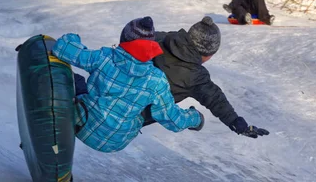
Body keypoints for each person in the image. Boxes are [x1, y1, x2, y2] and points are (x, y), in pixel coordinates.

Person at [51, 17, 204, 153]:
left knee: (75, 79)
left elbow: (62, 48)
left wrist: (73, 38)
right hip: (117, 143)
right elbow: (173, 120)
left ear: (124, 39)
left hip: (82, 126)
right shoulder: (157, 80)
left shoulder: (104, 57)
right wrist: (195, 118)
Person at [141, 16, 270, 139]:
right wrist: (237, 123)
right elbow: (214, 99)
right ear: (208, 54)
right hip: (131, 119)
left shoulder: (163, 38)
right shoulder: (195, 76)